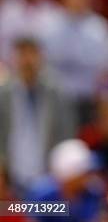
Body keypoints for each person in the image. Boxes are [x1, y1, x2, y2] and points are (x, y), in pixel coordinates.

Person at [0, 37, 77, 195]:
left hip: (48, 178)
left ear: (41, 57)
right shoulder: (4, 94)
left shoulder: (57, 93)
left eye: (32, 54)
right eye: (22, 54)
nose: (28, 61)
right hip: (11, 178)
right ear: (14, 58)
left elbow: (67, 135)